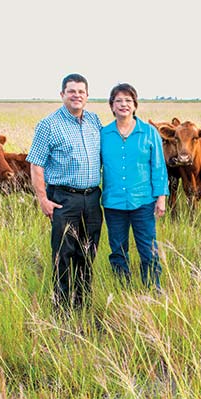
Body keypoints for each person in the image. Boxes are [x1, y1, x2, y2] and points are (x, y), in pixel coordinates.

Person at [27, 73, 103, 312]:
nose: (76, 95)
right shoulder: (48, 125)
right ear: (62, 95)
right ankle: (62, 308)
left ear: (87, 96)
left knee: (88, 251)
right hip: (64, 198)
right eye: (71, 91)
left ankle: (83, 302)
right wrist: (43, 199)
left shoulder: (94, 121)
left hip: (92, 198)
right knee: (64, 252)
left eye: (81, 92)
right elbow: (36, 163)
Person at [101, 83, 169, 290]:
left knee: (148, 249)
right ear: (112, 106)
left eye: (128, 101)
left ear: (135, 105)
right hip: (114, 203)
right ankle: (123, 289)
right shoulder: (104, 134)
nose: (123, 105)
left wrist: (161, 197)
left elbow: (158, 167)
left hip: (143, 201)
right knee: (118, 250)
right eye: (119, 101)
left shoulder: (149, 133)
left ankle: (152, 289)